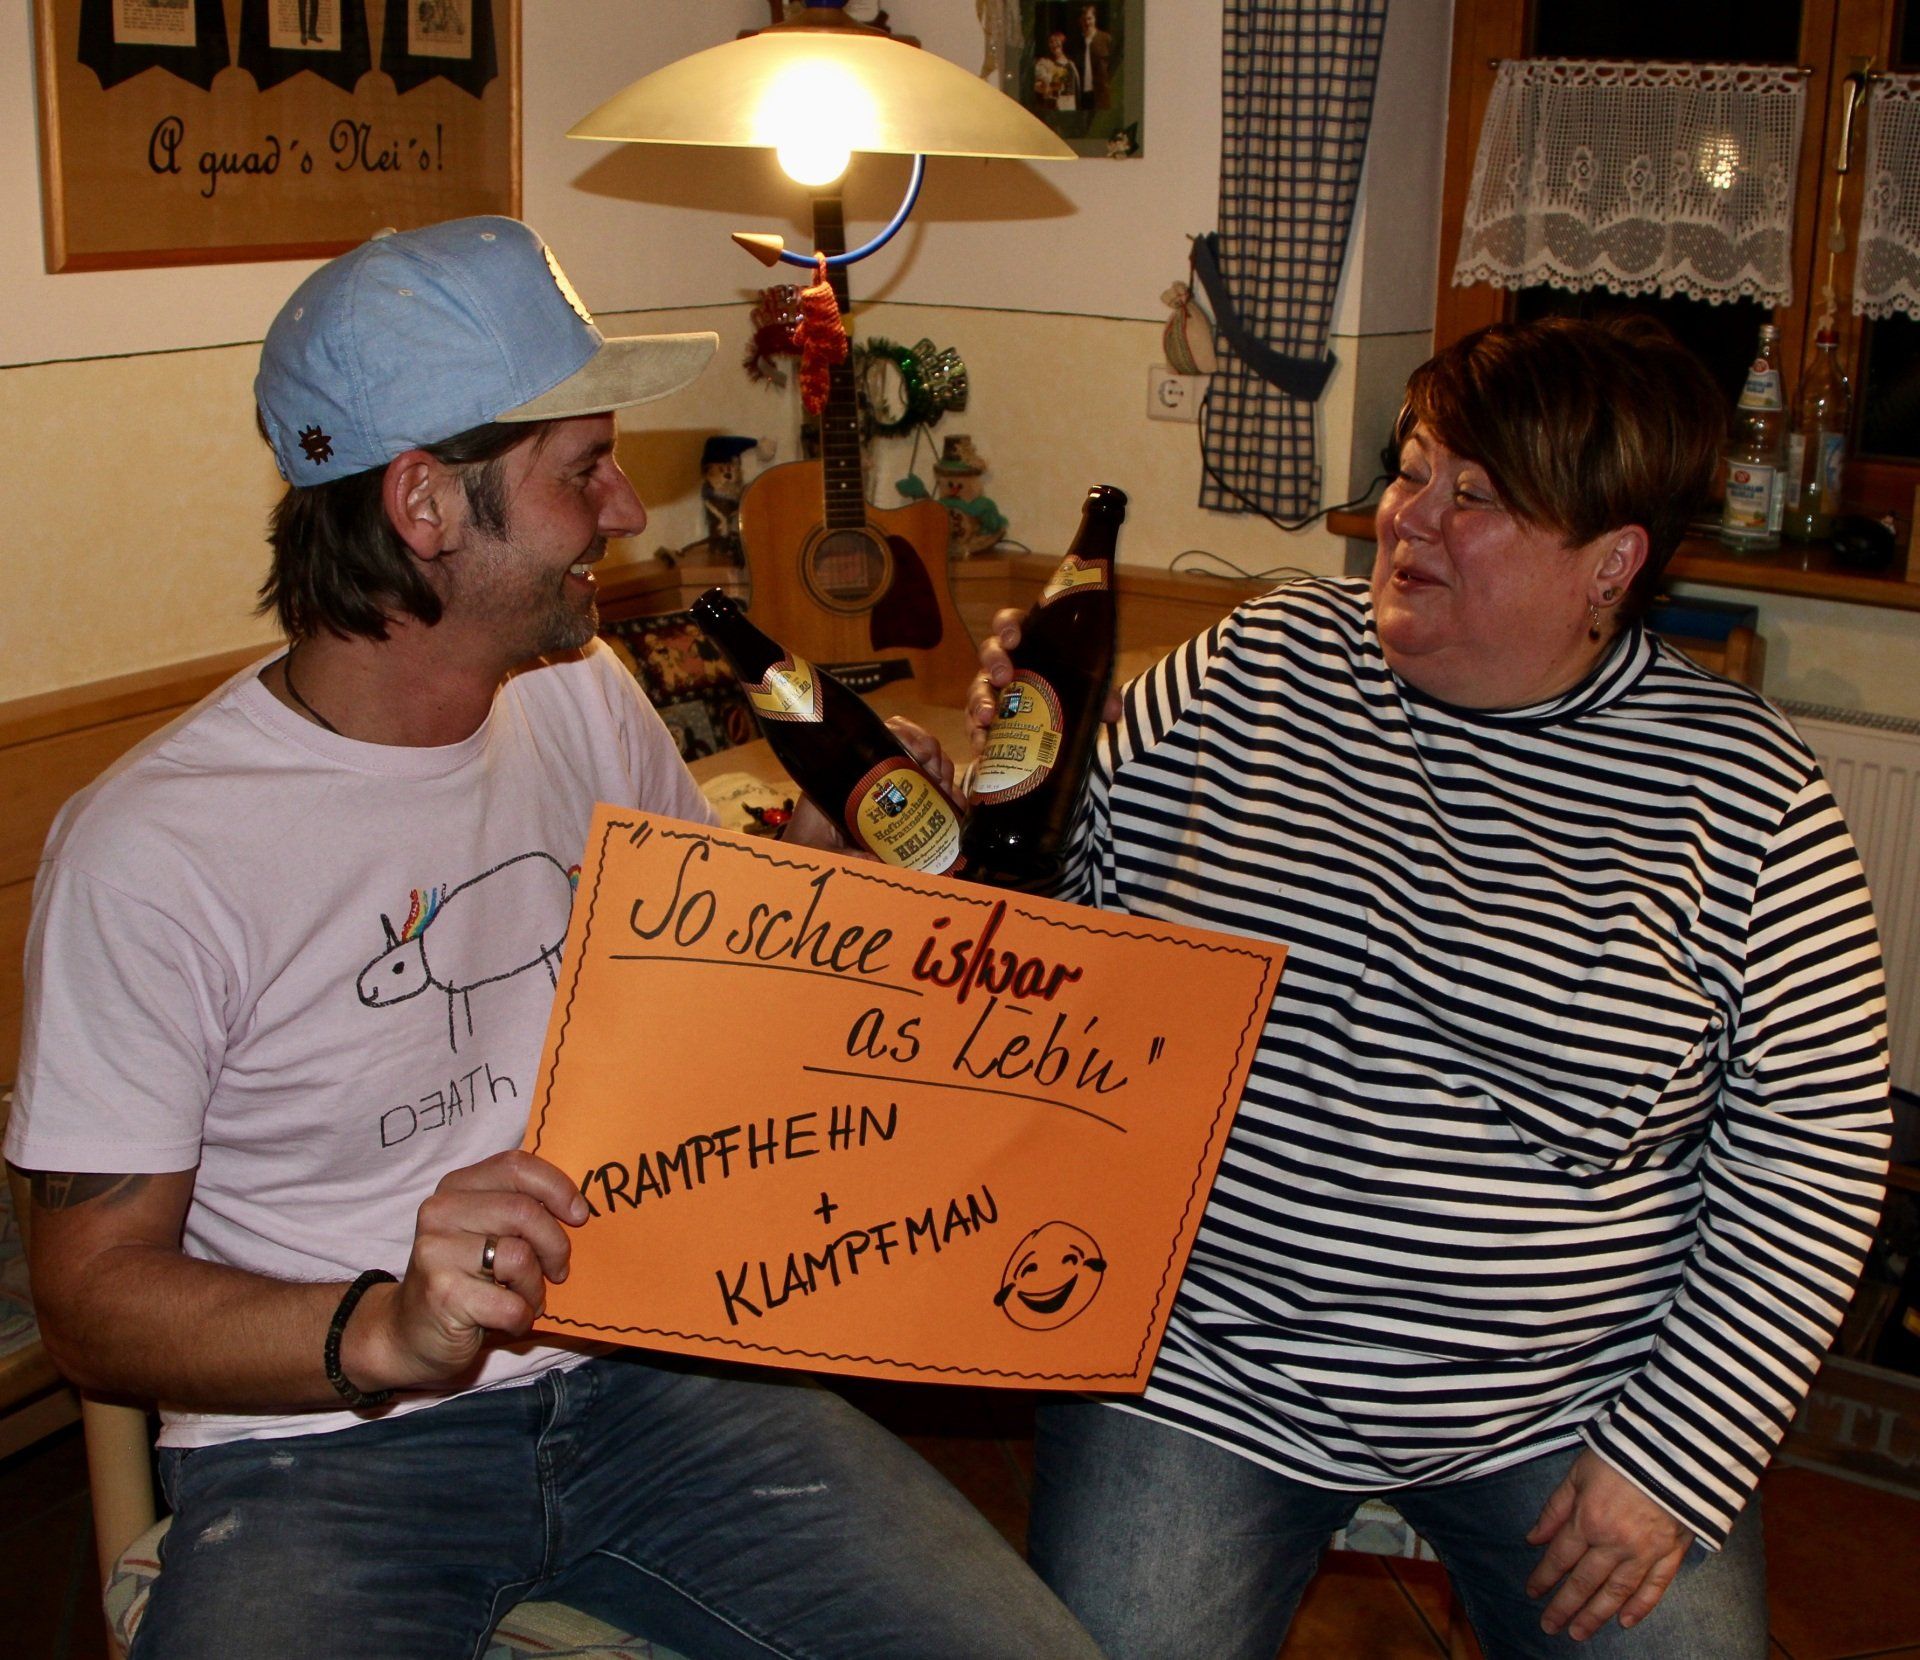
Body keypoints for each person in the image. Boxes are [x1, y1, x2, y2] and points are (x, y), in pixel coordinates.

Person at [5, 216, 1101, 1660]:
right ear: (423, 505)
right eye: (583, 470)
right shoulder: (152, 850)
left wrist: (823, 880)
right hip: (321, 1451)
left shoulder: (581, 698)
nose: (627, 509)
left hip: (657, 1384)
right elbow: (90, 1303)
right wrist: (387, 1328)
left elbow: (698, 1005)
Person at [969, 315, 1892, 1658]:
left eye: (1478, 495)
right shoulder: (1250, 673)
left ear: (1612, 562)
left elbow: (1812, 1154)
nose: (1411, 519)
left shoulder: (1743, 793)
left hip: (1569, 1395)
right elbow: (1058, 948)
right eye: (1412, 472)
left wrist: (1674, 1455)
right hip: (1212, 1359)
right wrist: (994, 806)